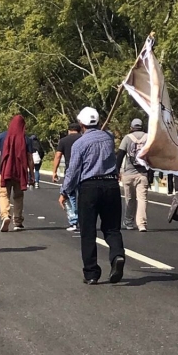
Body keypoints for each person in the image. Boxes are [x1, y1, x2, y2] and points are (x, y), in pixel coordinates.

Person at [60, 107, 126, 285]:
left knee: (88, 231)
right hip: (111, 185)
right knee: (112, 228)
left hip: (89, 187)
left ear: (81, 124)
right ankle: (117, 255)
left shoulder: (80, 144)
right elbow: (107, 135)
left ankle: (91, 273)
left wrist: (65, 191)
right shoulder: (109, 137)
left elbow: (73, 171)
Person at [0, 118, 34, 232]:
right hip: (20, 172)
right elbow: (30, 159)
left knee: (3, 194)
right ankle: (18, 221)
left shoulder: (2, 136)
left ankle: (5, 215)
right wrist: (32, 175)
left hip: (5, 171)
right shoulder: (26, 139)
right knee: (18, 196)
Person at [116, 118, 149, 232]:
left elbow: (120, 155)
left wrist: (116, 172)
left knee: (129, 199)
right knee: (142, 199)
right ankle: (141, 224)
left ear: (131, 127)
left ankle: (129, 222)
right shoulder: (148, 137)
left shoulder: (127, 138)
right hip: (143, 173)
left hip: (128, 174)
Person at [53, 123, 82, 231]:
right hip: (85, 171)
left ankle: (74, 221)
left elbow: (58, 156)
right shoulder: (84, 139)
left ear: (69, 130)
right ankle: (86, 221)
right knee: (84, 197)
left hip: (70, 171)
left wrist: (54, 171)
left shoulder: (64, 141)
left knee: (70, 196)